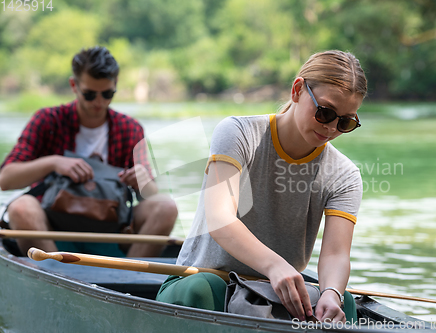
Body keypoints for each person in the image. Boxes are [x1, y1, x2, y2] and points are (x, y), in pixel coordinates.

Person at [156, 50, 367, 323]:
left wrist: (331, 293)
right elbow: (219, 219)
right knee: (201, 289)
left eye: (346, 121)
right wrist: (275, 265)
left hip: (272, 294)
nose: (331, 128)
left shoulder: (345, 175)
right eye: (325, 112)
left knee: (344, 302)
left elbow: (336, 254)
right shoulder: (237, 133)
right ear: (297, 90)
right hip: (206, 283)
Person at [0, 46, 178, 257]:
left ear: (115, 85)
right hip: (52, 222)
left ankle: (127, 278)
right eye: (90, 94)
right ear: (74, 85)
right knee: (21, 207)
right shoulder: (47, 120)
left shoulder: (130, 128)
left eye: (107, 94)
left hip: (112, 222)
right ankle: (55, 274)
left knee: (167, 207)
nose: (99, 102)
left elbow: (150, 194)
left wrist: (142, 180)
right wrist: (54, 163)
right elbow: (6, 179)